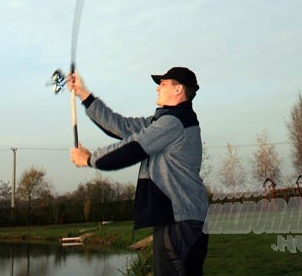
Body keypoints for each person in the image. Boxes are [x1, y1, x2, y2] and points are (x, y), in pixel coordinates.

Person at [68, 66, 209, 275]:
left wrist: (90, 159)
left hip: (180, 221)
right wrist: (83, 94)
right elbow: (121, 127)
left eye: (162, 84)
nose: (157, 89)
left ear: (178, 89)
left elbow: (132, 149)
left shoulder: (173, 123)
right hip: (179, 219)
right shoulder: (164, 121)